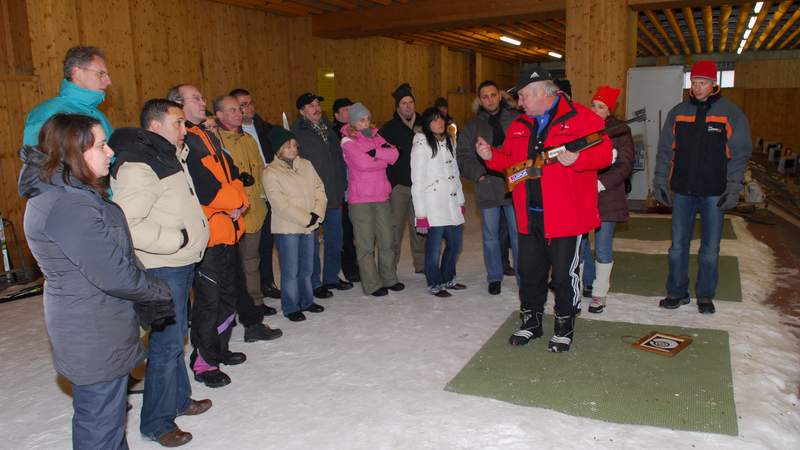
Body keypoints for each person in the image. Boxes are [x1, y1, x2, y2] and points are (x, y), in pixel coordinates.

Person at [20, 114, 174, 449]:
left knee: (106, 417)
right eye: (101, 145)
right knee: (100, 424)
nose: (111, 153)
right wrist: (157, 290)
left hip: (94, 320)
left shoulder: (67, 192)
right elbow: (113, 273)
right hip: (92, 328)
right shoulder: (67, 203)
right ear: (75, 151)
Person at [475, 68, 612, 352]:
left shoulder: (582, 118)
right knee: (530, 273)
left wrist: (577, 158)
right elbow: (511, 164)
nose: (520, 102)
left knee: (564, 276)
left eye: (523, 96)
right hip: (529, 215)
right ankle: (531, 322)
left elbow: (605, 153)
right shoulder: (519, 125)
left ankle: (564, 325)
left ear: (541, 92)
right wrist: (491, 157)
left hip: (567, 217)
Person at [109, 99, 214, 447]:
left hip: (181, 261)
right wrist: (177, 239)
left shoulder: (169, 156)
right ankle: (156, 420)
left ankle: (178, 399)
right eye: (178, 123)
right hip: (163, 264)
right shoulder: (139, 165)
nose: (185, 130)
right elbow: (128, 223)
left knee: (175, 340)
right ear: (155, 127)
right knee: (166, 345)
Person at [167, 84, 282, 389]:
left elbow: (232, 172)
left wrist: (239, 199)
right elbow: (206, 187)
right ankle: (204, 361)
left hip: (227, 229)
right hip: (209, 234)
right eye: (196, 98)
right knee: (209, 300)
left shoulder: (206, 134)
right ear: (177, 105)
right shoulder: (186, 140)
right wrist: (234, 199)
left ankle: (220, 348)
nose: (203, 101)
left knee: (229, 295)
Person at [653, 60, 753, 314]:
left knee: (710, 249)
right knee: (677, 246)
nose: (697, 88)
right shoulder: (678, 112)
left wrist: (733, 188)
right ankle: (677, 292)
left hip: (714, 192)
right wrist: (660, 181)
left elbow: (739, 153)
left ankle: (705, 296)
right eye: (694, 83)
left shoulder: (730, 113)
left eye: (703, 83)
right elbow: (665, 151)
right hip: (683, 191)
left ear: (714, 84)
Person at [213, 95, 276, 317]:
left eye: (239, 109)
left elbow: (259, 170)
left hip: (254, 206)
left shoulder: (248, 139)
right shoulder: (217, 141)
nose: (238, 113)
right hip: (230, 210)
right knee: (232, 265)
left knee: (252, 259)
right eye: (232, 110)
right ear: (219, 115)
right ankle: (236, 307)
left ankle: (254, 301)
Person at [456, 80, 520, 295]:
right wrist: (479, 174)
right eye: (485, 96)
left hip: (513, 184)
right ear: (479, 100)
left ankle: (523, 275)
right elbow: (463, 155)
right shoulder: (473, 126)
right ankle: (494, 276)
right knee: (491, 235)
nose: (490, 100)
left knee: (517, 233)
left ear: (499, 96)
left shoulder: (516, 119)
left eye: (493, 95)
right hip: (487, 186)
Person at [263, 127, 328, 322]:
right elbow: (280, 204)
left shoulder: (306, 165)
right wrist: (306, 217)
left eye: (294, 145)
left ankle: (307, 300)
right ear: (278, 149)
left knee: (307, 267)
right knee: (291, 269)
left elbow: (319, 189)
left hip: (310, 225)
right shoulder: (271, 172)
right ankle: (291, 305)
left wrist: (317, 213)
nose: (292, 149)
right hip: (288, 228)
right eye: (287, 146)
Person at [291, 92, 351, 298]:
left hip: (333, 193)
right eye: (310, 105)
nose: (316, 108)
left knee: (335, 238)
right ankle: (314, 282)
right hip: (312, 197)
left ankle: (331, 277)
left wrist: (342, 183)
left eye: (317, 104)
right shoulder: (296, 132)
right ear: (301, 111)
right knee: (313, 242)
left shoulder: (328, 129)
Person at [580, 86, 634, 314]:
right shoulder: (583, 128)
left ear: (610, 110)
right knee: (580, 245)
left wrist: (601, 183)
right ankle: (588, 281)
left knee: (602, 248)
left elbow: (625, 164)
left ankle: (600, 294)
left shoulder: (620, 131)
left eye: (601, 106)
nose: (595, 109)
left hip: (608, 196)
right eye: (593, 104)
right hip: (583, 196)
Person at [340, 102, 403, 297]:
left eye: (367, 118)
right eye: (361, 120)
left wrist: (376, 154)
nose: (365, 123)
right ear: (353, 122)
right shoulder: (347, 141)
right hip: (360, 200)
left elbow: (394, 154)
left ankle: (389, 277)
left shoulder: (377, 136)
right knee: (366, 244)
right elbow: (363, 164)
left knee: (387, 239)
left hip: (381, 195)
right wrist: (379, 158)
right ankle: (372, 283)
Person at [229, 88, 282, 299]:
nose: (248, 108)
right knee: (250, 247)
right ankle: (251, 291)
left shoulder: (265, 128)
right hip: (248, 194)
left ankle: (267, 282)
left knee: (267, 241)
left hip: (268, 189)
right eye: (242, 105)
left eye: (250, 103)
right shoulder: (233, 133)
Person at [412, 107, 467, 297]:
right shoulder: (421, 145)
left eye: (441, 119)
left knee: (455, 245)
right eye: (434, 120)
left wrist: (460, 200)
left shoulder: (450, 141)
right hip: (433, 206)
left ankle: (448, 277)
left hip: (451, 205)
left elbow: (455, 174)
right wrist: (421, 215)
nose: (439, 122)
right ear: (427, 124)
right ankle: (434, 283)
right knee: (434, 249)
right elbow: (417, 182)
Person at [23, 46, 112, 146]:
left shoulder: (100, 116)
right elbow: (38, 158)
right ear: (77, 74)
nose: (108, 82)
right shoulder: (47, 113)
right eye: (101, 74)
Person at [379, 83, 426, 274]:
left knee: (421, 229)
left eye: (411, 102)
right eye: (403, 103)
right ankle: (389, 270)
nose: (408, 106)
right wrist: (391, 183)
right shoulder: (389, 129)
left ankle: (423, 266)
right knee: (394, 230)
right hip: (399, 188)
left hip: (420, 187)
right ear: (397, 107)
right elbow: (381, 157)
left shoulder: (424, 124)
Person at [332, 97, 361, 284]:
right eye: (344, 110)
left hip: (359, 186)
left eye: (351, 108)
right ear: (336, 115)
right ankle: (349, 267)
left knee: (360, 230)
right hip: (343, 188)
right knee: (346, 232)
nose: (349, 112)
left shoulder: (359, 130)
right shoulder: (333, 134)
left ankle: (359, 264)